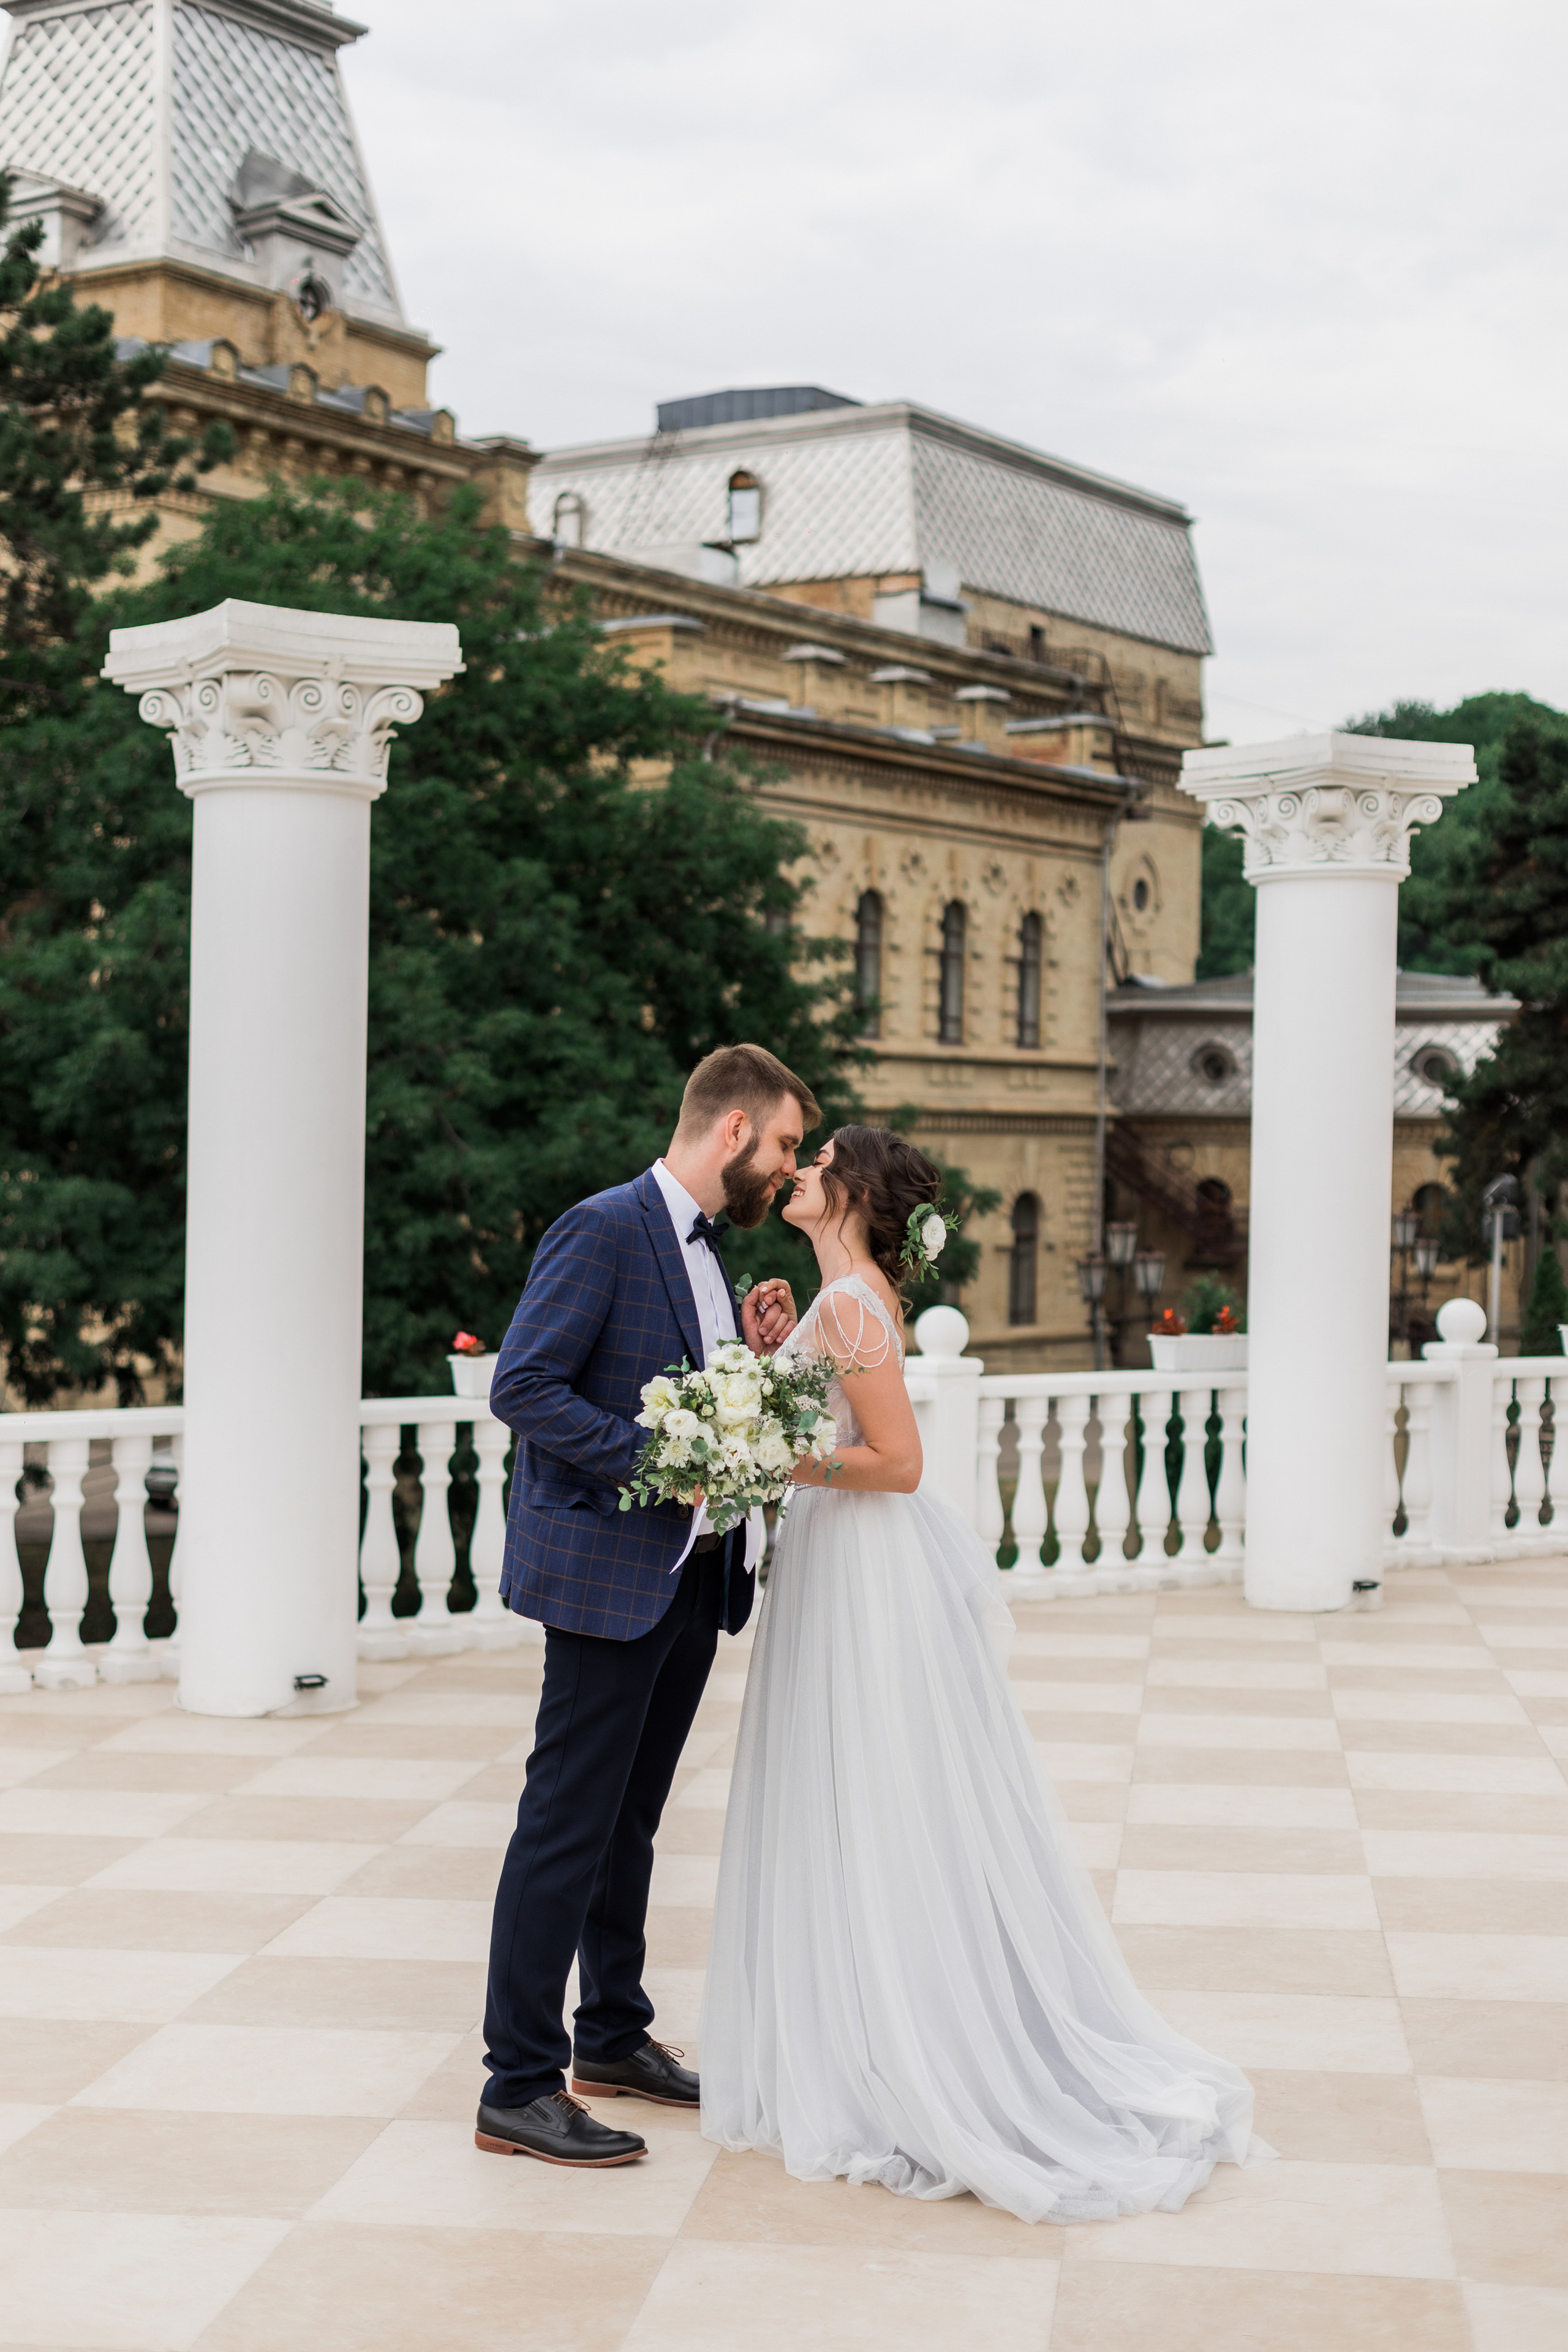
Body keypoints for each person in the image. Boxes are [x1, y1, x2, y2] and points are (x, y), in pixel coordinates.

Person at [701, 1123, 1261, 2222]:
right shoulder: (840, 1297)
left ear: (853, 1191)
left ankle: (908, 2049)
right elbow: (831, 1413)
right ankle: (861, 2024)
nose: (799, 1170)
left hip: (862, 1564)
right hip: (836, 1557)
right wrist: (773, 1364)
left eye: (816, 1163)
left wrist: (767, 1450)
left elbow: (898, 1464)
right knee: (847, 1790)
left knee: (872, 1789)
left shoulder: (857, 1300)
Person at [477, 1044, 816, 2168]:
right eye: (781, 1146)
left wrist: (755, 1354)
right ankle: (517, 2085)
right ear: (732, 1132)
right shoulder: (605, 1226)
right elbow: (521, 1385)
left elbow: (705, 1400)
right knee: (564, 1826)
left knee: (630, 1821)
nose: (786, 1167)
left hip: (689, 1580)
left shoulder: (711, 1255)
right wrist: (649, 1461)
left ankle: (610, 2035)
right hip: (608, 1576)